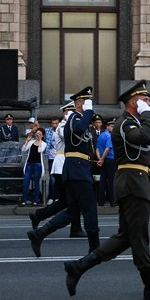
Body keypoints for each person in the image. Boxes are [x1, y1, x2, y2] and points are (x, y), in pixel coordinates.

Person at [64, 80, 150, 300]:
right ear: (135, 102)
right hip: (132, 182)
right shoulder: (126, 124)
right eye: (145, 100)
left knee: (126, 236)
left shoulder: (132, 122)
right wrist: (148, 115)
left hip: (135, 181)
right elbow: (146, 136)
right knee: (139, 236)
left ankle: (78, 267)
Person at [27, 86, 100, 257]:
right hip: (76, 170)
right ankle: (95, 247)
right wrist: (88, 112)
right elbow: (80, 129)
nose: (90, 106)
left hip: (78, 168)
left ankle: (39, 234)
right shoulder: (74, 118)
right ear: (79, 103)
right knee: (90, 208)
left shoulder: (81, 119)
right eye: (87, 102)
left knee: (72, 211)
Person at [27, 102, 86, 238]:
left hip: (66, 165)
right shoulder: (63, 125)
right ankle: (74, 228)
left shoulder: (69, 124)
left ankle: (39, 215)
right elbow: (70, 137)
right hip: (62, 165)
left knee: (68, 200)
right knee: (72, 200)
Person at [21, 126, 46, 206]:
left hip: (37, 164)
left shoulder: (43, 144)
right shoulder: (31, 142)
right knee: (26, 181)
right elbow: (24, 149)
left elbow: (40, 150)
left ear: (42, 135)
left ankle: (35, 200)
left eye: (39, 134)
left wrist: (39, 141)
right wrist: (27, 141)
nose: (38, 135)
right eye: (37, 134)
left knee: (36, 182)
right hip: (29, 164)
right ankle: (24, 200)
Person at [96, 119, 116, 207]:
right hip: (110, 159)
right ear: (107, 126)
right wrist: (102, 159)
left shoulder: (101, 135)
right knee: (111, 180)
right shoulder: (109, 136)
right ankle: (112, 201)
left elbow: (97, 149)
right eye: (111, 126)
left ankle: (101, 201)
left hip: (103, 160)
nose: (113, 128)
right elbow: (108, 149)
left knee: (103, 180)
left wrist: (99, 158)